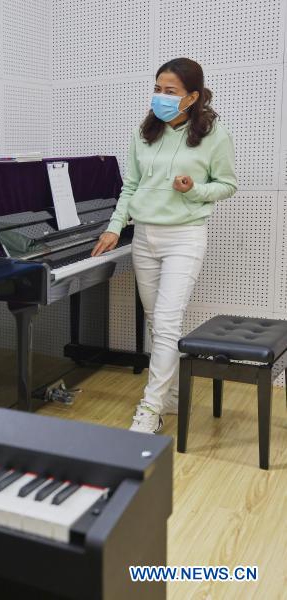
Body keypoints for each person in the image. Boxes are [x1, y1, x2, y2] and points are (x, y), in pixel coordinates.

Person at [92, 58, 237, 434]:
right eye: (157, 88)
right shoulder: (145, 132)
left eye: (169, 92)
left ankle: (150, 408)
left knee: (169, 324)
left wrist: (195, 190)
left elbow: (227, 183)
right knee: (158, 324)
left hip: (184, 237)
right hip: (144, 237)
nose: (160, 97)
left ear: (191, 97)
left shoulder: (213, 133)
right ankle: (170, 396)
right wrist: (113, 227)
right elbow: (131, 187)